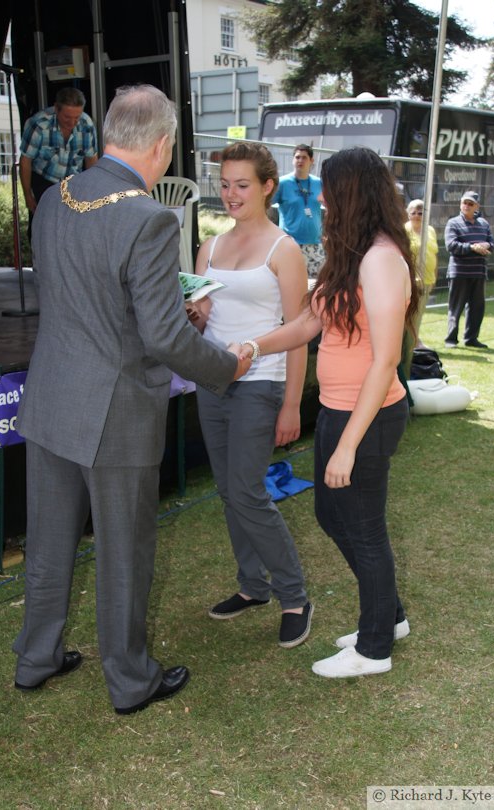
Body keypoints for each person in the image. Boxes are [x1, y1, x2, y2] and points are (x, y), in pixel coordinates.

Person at [12, 85, 251, 714]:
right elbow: (164, 336)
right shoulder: (148, 217)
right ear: (163, 143)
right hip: (113, 410)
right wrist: (228, 364)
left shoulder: (55, 201)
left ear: (110, 131)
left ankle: (36, 659)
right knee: (124, 552)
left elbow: (85, 299)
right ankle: (130, 679)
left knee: (48, 539)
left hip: (51, 396)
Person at [239, 146, 419, 677]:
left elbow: (386, 360)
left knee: (363, 528)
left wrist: (346, 445)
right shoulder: (350, 254)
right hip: (339, 410)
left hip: (367, 417)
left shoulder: (382, 258)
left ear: (350, 194)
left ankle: (374, 649)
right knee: (330, 514)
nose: (320, 200)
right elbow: (306, 325)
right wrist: (252, 346)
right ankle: (390, 617)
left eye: (328, 191)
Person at [188, 141, 313, 649]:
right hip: (212, 381)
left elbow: (301, 330)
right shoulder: (210, 247)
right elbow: (199, 317)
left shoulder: (285, 250)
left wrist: (291, 404)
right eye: (224, 185)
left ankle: (294, 595)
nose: (231, 195)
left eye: (242, 185)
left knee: (247, 491)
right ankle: (251, 587)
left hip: (262, 384)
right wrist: (195, 318)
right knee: (229, 490)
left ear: (267, 187)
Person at [19, 87, 98, 238]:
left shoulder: (87, 124)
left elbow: (91, 159)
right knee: (43, 231)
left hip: (74, 181)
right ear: (56, 108)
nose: (73, 122)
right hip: (44, 179)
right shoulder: (38, 124)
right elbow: (25, 161)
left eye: (77, 117)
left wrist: (92, 190)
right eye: (67, 117)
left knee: (74, 231)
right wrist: (27, 195)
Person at [444, 190, 494, 349]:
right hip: (459, 272)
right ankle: (451, 339)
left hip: (478, 272)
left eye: (470, 203)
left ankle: (471, 338)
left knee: (477, 308)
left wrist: (487, 245)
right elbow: (451, 246)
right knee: (456, 307)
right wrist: (473, 248)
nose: (466, 205)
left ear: (476, 206)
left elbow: (493, 244)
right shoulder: (453, 223)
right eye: (464, 202)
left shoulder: (484, 224)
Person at [272, 144, 324, 278]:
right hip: (290, 244)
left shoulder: (319, 183)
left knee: (315, 287)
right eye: (297, 157)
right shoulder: (282, 183)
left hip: (314, 244)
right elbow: (264, 206)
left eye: (304, 158)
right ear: (293, 160)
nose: (300, 160)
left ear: (312, 161)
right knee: (290, 283)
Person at [405, 199, 438, 348]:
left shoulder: (430, 230)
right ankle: (410, 344)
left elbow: (434, 254)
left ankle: (414, 341)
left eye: (421, 212)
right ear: (408, 214)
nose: (417, 215)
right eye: (414, 213)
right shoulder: (404, 231)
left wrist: (435, 276)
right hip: (412, 281)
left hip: (427, 280)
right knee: (410, 315)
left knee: (419, 315)